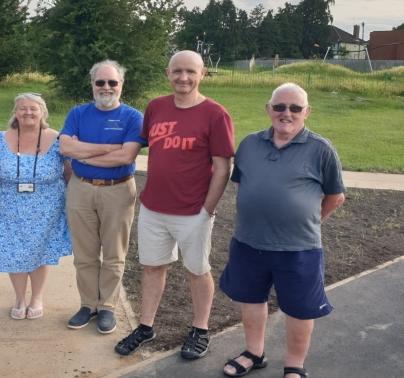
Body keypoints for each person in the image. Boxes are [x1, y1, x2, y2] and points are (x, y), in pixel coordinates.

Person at [219, 83, 345, 378]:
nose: (286, 113)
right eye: (279, 107)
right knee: (251, 299)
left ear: (306, 112)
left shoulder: (321, 150)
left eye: (295, 108)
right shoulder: (249, 144)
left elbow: (335, 196)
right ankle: (254, 352)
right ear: (268, 109)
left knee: (300, 308)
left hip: (299, 248)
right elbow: (240, 183)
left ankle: (294, 364)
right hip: (249, 242)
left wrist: (309, 221)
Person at [114, 50, 234, 358]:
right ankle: (145, 326)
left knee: (197, 270)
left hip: (193, 211)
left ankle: (200, 328)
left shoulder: (215, 114)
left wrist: (207, 209)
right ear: (168, 73)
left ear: (202, 74)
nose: (183, 77)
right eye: (177, 71)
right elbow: (145, 148)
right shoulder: (155, 107)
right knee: (152, 268)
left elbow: (222, 167)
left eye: (190, 72)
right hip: (153, 207)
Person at [59, 59, 144, 334]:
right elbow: (65, 148)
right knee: (84, 254)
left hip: (118, 190)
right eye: (100, 82)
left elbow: (126, 155)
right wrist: (108, 149)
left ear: (121, 85)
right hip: (80, 188)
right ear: (92, 84)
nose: (106, 87)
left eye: (112, 82)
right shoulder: (77, 113)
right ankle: (88, 305)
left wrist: (83, 149)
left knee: (114, 254)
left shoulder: (133, 117)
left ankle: (107, 307)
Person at [0, 93, 72, 320]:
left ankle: (37, 298)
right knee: (13, 251)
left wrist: (72, 203)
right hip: (8, 206)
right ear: (15, 112)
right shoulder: (0, 139)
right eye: (22, 108)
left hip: (47, 207)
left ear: (43, 112)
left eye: (33, 108)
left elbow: (70, 173)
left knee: (40, 251)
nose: (28, 112)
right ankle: (20, 298)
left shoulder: (58, 139)